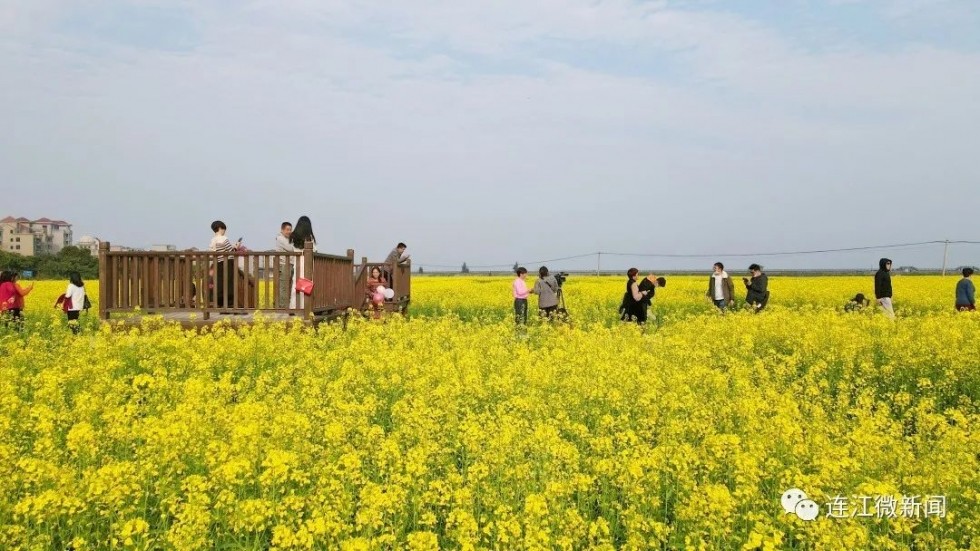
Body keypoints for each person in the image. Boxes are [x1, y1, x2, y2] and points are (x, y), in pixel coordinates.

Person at [208, 220, 242, 309]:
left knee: (219, 282)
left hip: (218, 263)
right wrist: (236, 246)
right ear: (219, 228)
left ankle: (219, 302)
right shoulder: (224, 238)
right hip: (227, 262)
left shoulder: (212, 240)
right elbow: (231, 251)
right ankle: (229, 303)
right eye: (223, 229)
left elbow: (213, 252)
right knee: (229, 283)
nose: (224, 231)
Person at [289, 216, 317, 310]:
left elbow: (290, 248)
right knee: (307, 283)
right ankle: (305, 307)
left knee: (296, 284)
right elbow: (315, 250)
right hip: (307, 261)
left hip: (297, 261)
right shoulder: (309, 237)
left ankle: (294, 307)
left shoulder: (293, 236)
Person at [274, 221, 293, 308]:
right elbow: (291, 248)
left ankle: (286, 304)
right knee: (284, 286)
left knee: (288, 285)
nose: (289, 231)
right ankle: (282, 305)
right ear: (282, 230)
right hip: (284, 264)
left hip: (289, 264)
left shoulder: (288, 239)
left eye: (290, 230)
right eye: (287, 229)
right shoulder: (280, 238)